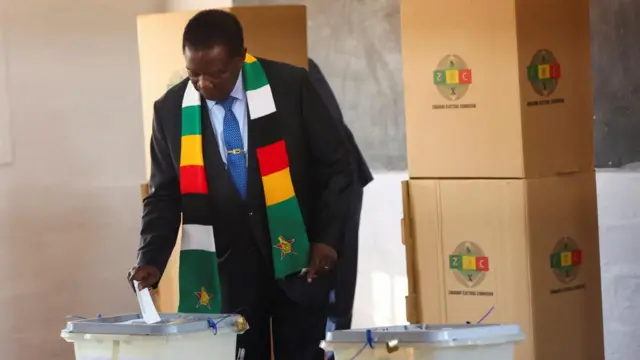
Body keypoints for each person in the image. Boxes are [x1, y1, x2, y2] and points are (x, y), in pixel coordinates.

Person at [127, 9, 355, 360]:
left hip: (299, 259)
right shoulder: (170, 110)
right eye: (193, 75)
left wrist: (327, 239)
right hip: (227, 272)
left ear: (240, 57)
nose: (204, 85)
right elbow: (165, 196)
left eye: (215, 74)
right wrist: (151, 259)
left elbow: (337, 168)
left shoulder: (290, 87)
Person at [307, 58, 373, 333]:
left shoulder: (296, 67)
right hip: (306, 188)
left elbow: (334, 141)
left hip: (336, 182)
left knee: (333, 284)